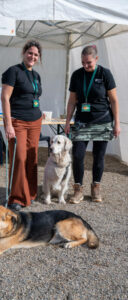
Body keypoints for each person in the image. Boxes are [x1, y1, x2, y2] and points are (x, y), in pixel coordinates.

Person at [65, 45, 120, 204]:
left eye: (89, 62)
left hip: (103, 121)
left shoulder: (105, 74)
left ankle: (96, 186)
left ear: (96, 59)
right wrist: (68, 121)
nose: (85, 65)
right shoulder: (77, 75)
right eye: (83, 62)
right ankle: (78, 189)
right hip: (82, 122)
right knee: (78, 155)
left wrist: (117, 123)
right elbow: (72, 101)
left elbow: (114, 100)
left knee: (98, 156)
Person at [1, 40, 42, 210]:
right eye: (30, 53)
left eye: (36, 55)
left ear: (39, 58)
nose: (32, 56)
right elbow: (5, 98)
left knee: (32, 157)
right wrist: (8, 125)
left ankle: (30, 193)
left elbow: (34, 97)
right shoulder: (13, 71)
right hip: (17, 121)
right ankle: (16, 198)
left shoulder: (36, 76)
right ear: (24, 53)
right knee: (19, 157)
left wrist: (39, 111)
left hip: (35, 121)